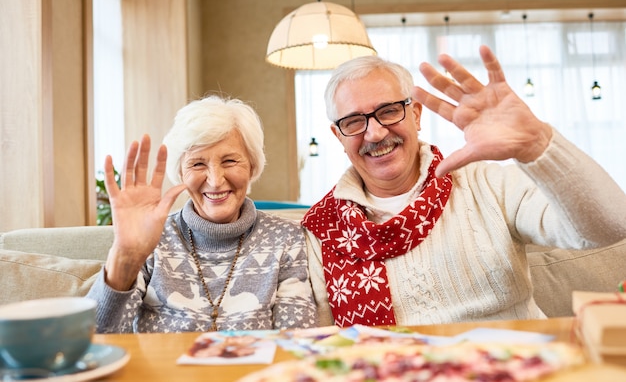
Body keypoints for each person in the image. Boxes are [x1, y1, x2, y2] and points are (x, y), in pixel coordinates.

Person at [302, 45, 626, 328]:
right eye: (354, 121)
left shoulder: (486, 184)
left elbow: (609, 228)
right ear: (338, 135)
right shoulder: (320, 230)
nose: (374, 134)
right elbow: (325, 343)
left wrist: (538, 143)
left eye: (388, 111)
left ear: (415, 114)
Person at [87, 95, 317, 333]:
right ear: (180, 173)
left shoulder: (286, 237)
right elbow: (91, 340)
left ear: (252, 165)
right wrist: (125, 258)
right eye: (197, 164)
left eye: (229, 161)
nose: (216, 181)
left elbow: (297, 343)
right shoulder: (152, 237)